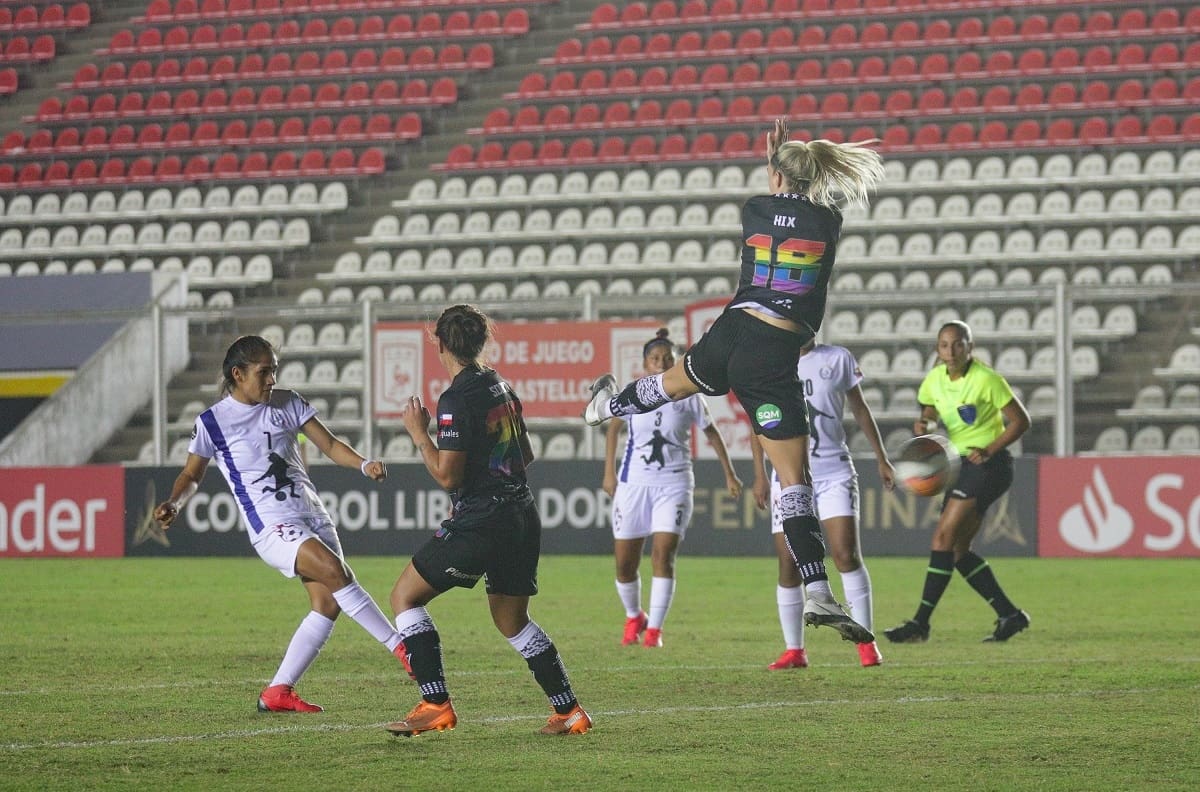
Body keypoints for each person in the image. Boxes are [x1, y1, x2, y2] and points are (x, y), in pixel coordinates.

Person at [584, 118, 886, 643]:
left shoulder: (753, 209)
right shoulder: (829, 220)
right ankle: (818, 590)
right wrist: (788, 170)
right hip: (772, 351)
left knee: (672, 382)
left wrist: (774, 166)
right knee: (794, 480)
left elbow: (779, 199)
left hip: (730, 331)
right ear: (816, 177)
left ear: (775, 176)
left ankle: (605, 407)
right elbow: (803, 206)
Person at [153, 335, 412, 713]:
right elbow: (192, 473)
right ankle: (404, 649)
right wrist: (174, 502)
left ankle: (278, 692)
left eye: (274, 370)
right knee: (335, 571)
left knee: (327, 603)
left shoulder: (288, 402)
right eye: (264, 372)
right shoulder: (212, 422)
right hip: (271, 526)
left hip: (313, 514)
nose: (272, 379)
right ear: (238, 374)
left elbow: (330, 444)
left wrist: (363, 464)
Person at [384, 304, 592, 737]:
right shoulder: (502, 386)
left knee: (405, 596)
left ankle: (435, 703)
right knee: (512, 621)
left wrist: (419, 433)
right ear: (483, 341)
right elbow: (525, 455)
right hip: (522, 515)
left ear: (440, 344)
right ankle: (569, 711)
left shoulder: (456, 399)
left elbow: (447, 475)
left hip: (484, 520)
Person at [883, 320, 1032, 644]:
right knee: (958, 551)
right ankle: (1010, 615)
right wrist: (925, 424)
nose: (950, 351)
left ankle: (920, 624)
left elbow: (1021, 421)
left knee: (943, 538)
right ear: (937, 349)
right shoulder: (934, 380)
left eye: (957, 344)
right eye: (944, 345)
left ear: (969, 347)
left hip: (989, 465)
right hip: (959, 465)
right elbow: (929, 414)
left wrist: (990, 448)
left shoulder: (987, 379)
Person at [750, 339, 895, 669]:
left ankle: (866, 642)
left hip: (834, 471)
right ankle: (795, 650)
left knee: (846, 555)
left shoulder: (837, 358)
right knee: (789, 564)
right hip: (787, 476)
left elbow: (859, 408)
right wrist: (759, 473)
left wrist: (881, 457)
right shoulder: (770, 360)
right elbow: (758, 421)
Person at [602, 328, 743, 648]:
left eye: (668, 358)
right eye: (655, 359)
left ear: (677, 361)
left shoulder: (690, 395)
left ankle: (655, 630)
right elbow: (613, 429)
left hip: (674, 483)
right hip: (633, 484)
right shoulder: (633, 393)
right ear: (645, 364)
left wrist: (730, 474)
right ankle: (634, 616)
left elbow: (712, 433)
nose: (661, 363)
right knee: (624, 564)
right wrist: (609, 473)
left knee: (663, 555)